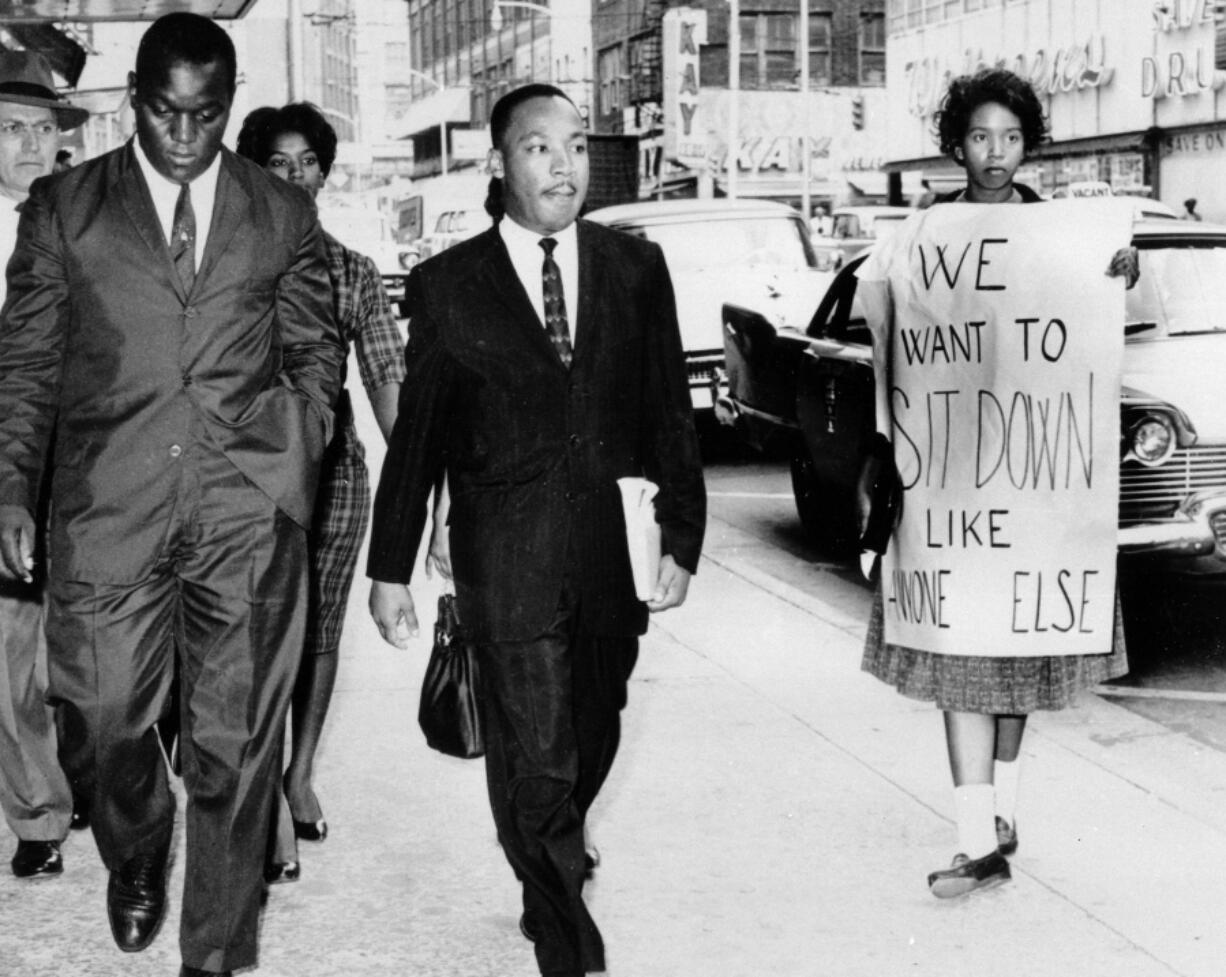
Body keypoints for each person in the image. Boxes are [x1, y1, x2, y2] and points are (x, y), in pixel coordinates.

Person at [0, 14, 342, 977]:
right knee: (102, 720)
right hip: (110, 504)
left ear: (226, 106)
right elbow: (25, 362)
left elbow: (317, 347)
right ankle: (139, 843)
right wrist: (10, 489)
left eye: (205, 115)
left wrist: (300, 440)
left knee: (237, 743)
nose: (183, 136)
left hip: (244, 506)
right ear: (131, 102)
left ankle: (215, 955)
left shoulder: (281, 211)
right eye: (163, 112)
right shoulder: (65, 207)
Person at [368, 83, 706, 977]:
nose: (563, 165)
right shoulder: (449, 286)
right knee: (539, 750)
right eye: (538, 148)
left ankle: (543, 860)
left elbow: (670, 410)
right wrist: (390, 563)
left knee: (592, 726)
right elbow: (420, 435)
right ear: (499, 163)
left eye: (574, 146)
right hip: (503, 551)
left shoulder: (637, 269)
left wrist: (682, 536)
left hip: (610, 547)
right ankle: (565, 934)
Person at [856, 68, 1133, 899]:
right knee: (959, 656)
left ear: (1028, 142)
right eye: (980, 136)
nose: (995, 153)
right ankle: (976, 836)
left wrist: (1116, 271)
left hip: (1035, 489)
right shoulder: (921, 232)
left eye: (1011, 137)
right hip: (948, 488)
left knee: (1012, 658)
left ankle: (1001, 813)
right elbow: (881, 322)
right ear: (956, 143)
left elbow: (1101, 320)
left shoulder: (1061, 233)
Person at [234, 102, 448, 881]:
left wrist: (431, 492)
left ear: (325, 171)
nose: (293, 176)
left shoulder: (352, 271)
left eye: (306, 162)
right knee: (254, 635)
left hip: (335, 476)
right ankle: (256, 792)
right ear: (252, 171)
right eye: (276, 163)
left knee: (320, 628)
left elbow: (390, 382)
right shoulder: (225, 264)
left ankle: (298, 773)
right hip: (240, 480)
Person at [0, 50, 88, 882]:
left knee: (79, 650)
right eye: (12, 129)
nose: (32, 143)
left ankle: (85, 773)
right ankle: (38, 813)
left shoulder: (81, 218)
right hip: (7, 473)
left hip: (85, 469)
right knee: (7, 649)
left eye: (43, 128)